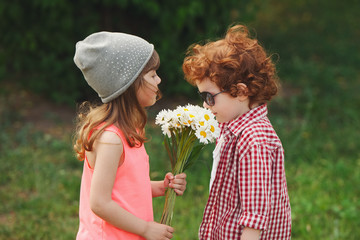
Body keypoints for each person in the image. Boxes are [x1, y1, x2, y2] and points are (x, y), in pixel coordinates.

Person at [73, 31, 187, 240]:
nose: (159, 80)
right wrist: (145, 228)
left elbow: (126, 189)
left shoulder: (129, 130)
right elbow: (99, 203)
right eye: (153, 75)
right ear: (129, 84)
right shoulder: (110, 139)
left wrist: (162, 187)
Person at [182, 24, 291, 240]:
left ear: (241, 92)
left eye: (209, 97)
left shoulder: (254, 139)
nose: (205, 105)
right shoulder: (233, 127)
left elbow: (255, 215)